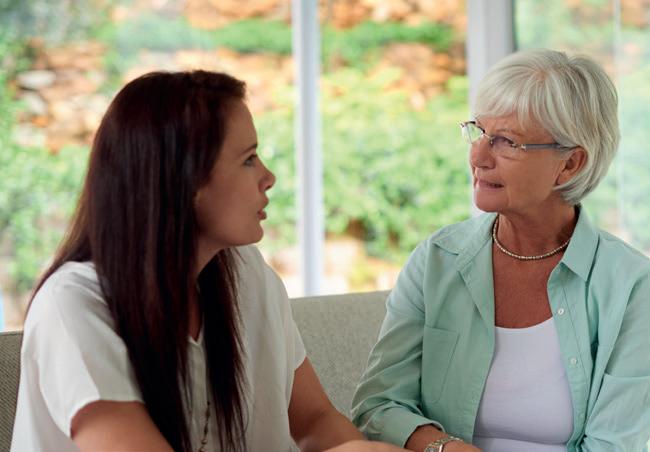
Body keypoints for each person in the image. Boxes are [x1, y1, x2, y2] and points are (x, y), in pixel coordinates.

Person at [11, 70, 404, 452]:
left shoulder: (247, 274)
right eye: (249, 159)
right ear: (184, 180)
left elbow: (315, 420)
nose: (268, 177)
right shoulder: (71, 306)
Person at [351, 49, 650, 452]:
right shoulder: (437, 260)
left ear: (570, 164)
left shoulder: (627, 281)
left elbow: (614, 444)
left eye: (506, 141)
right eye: (479, 131)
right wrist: (445, 448)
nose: (477, 156)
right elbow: (378, 406)